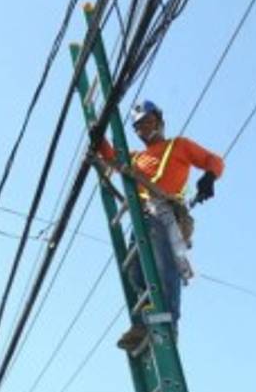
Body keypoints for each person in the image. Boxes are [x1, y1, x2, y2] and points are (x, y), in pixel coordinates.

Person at [92, 100, 224, 349]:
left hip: (166, 214)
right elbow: (109, 156)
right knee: (136, 272)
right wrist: (97, 134)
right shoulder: (135, 158)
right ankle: (145, 322)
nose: (146, 129)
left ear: (160, 121)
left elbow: (213, 160)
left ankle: (169, 320)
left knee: (165, 268)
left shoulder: (179, 146)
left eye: (149, 122)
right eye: (140, 127)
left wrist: (209, 177)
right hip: (143, 217)